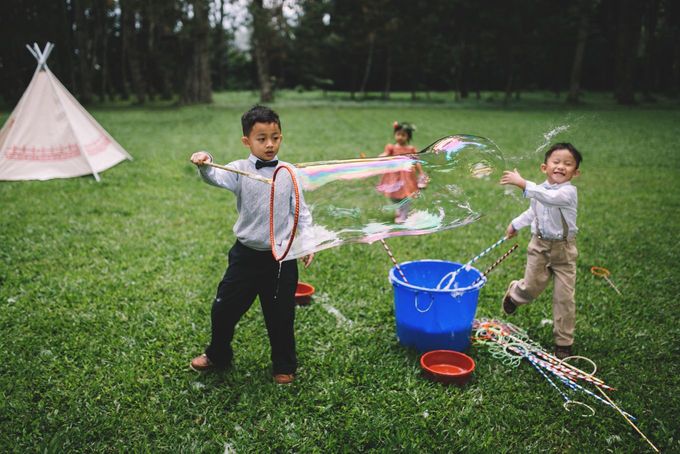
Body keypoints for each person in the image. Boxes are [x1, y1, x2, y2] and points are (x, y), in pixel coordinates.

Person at [188, 105, 314, 384]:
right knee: (223, 309)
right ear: (247, 141)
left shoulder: (289, 172)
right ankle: (218, 354)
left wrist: (307, 242)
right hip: (245, 255)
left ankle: (284, 365)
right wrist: (205, 161)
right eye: (262, 138)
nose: (270, 144)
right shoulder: (239, 169)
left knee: (281, 316)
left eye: (276, 137)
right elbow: (214, 176)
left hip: (282, 257)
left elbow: (301, 210)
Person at [499, 143, 582, 360]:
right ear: (544, 167)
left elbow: (550, 199)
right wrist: (515, 224)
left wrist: (523, 183)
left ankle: (564, 343)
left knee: (564, 298)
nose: (561, 166)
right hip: (539, 247)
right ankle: (516, 294)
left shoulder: (568, 193)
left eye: (568, 164)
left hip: (564, 250)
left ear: (576, 172)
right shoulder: (540, 191)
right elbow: (533, 211)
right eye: (556, 162)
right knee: (531, 288)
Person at [377, 121, 428, 223]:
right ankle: (399, 208)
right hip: (393, 176)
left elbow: (416, 162)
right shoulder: (391, 148)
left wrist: (421, 173)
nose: (400, 137)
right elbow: (386, 154)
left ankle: (403, 215)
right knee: (393, 195)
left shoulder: (411, 149)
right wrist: (379, 157)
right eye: (398, 134)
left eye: (403, 135)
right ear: (395, 135)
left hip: (407, 177)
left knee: (406, 195)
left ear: (408, 137)